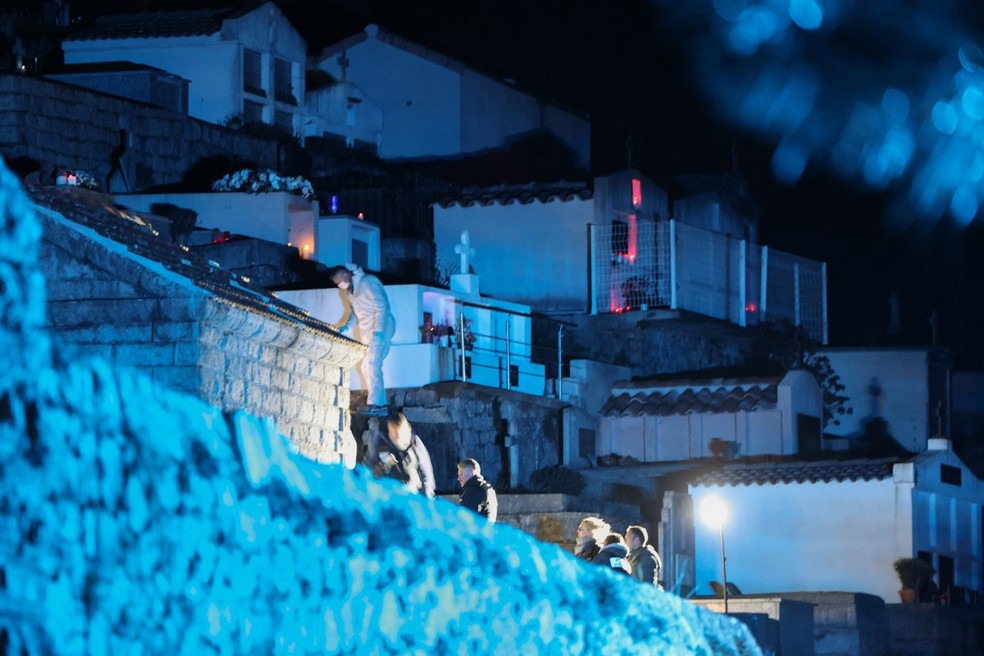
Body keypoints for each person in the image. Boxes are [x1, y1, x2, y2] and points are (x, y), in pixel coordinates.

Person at [330, 263, 396, 416]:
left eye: (340, 280)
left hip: (381, 328)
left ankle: (377, 406)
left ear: (346, 274)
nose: (340, 284)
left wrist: (379, 331)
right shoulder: (351, 292)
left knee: (372, 364)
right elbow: (355, 313)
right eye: (337, 283)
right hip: (369, 332)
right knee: (367, 367)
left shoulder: (368, 282)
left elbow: (382, 306)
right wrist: (347, 327)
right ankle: (379, 405)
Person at [364, 410, 435, 497]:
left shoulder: (415, 443)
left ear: (407, 429)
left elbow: (427, 473)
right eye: (395, 433)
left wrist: (428, 498)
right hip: (387, 496)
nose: (399, 437)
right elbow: (367, 469)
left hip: (412, 496)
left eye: (401, 432)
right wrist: (383, 467)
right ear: (389, 429)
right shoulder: (379, 443)